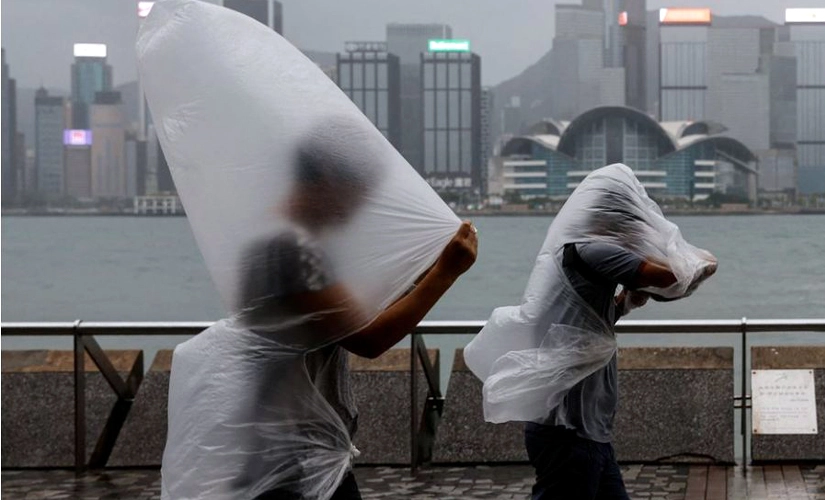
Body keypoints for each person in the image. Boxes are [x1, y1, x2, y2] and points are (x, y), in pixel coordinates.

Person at [162, 116, 478, 500]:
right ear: (330, 179)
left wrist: (421, 272)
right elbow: (370, 338)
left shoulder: (277, 238)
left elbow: (351, 317)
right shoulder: (293, 250)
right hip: (294, 455)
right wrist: (446, 273)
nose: (362, 205)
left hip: (282, 444)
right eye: (361, 191)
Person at [522, 179, 716, 500]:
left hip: (589, 431)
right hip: (569, 431)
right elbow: (668, 276)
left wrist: (624, 301)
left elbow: (584, 320)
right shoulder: (590, 249)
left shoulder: (577, 252)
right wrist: (700, 263)